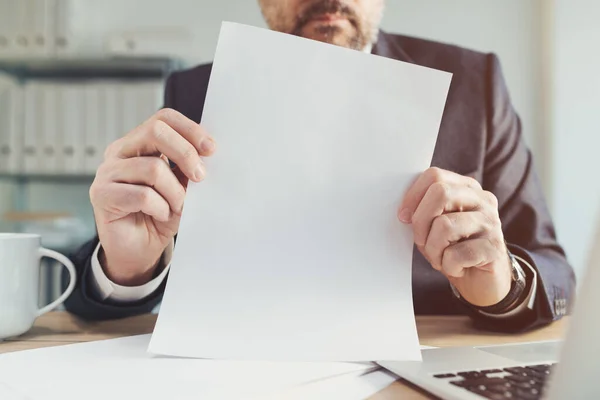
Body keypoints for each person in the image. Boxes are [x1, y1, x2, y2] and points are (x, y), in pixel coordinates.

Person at [65, 0, 575, 332]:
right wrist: (129, 269)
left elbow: (553, 266)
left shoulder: (474, 83)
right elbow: (121, 298)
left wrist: (501, 283)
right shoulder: (196, 92)